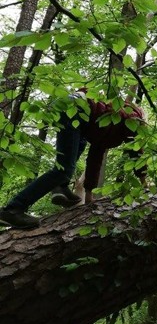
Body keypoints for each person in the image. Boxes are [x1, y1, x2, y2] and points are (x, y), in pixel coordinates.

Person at [0, 89, 146, 230]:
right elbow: (136, 150)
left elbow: (95, 157)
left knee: (80, 144)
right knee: (62, 171)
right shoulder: (133, 117)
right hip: (75, 108)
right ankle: (13, 209)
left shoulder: (112, 121)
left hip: (72, 107)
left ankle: (60, 187)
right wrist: (145, 181)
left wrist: (89, 195)